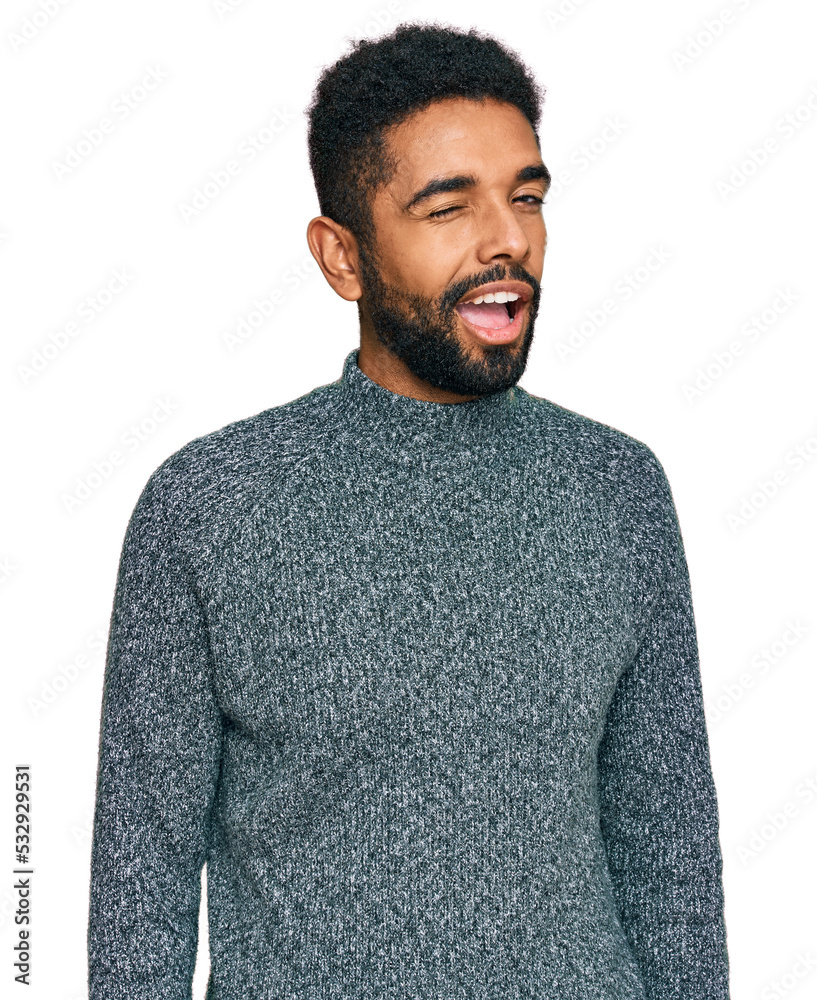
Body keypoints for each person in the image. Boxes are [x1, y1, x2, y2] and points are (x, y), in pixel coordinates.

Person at [87, 21, 731, 999]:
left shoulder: (619, 493)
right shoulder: (206, 510)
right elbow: (143, 880)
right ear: (341, 257)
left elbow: (669, 859)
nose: (508, 238)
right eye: (446, 207)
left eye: (526, 197)